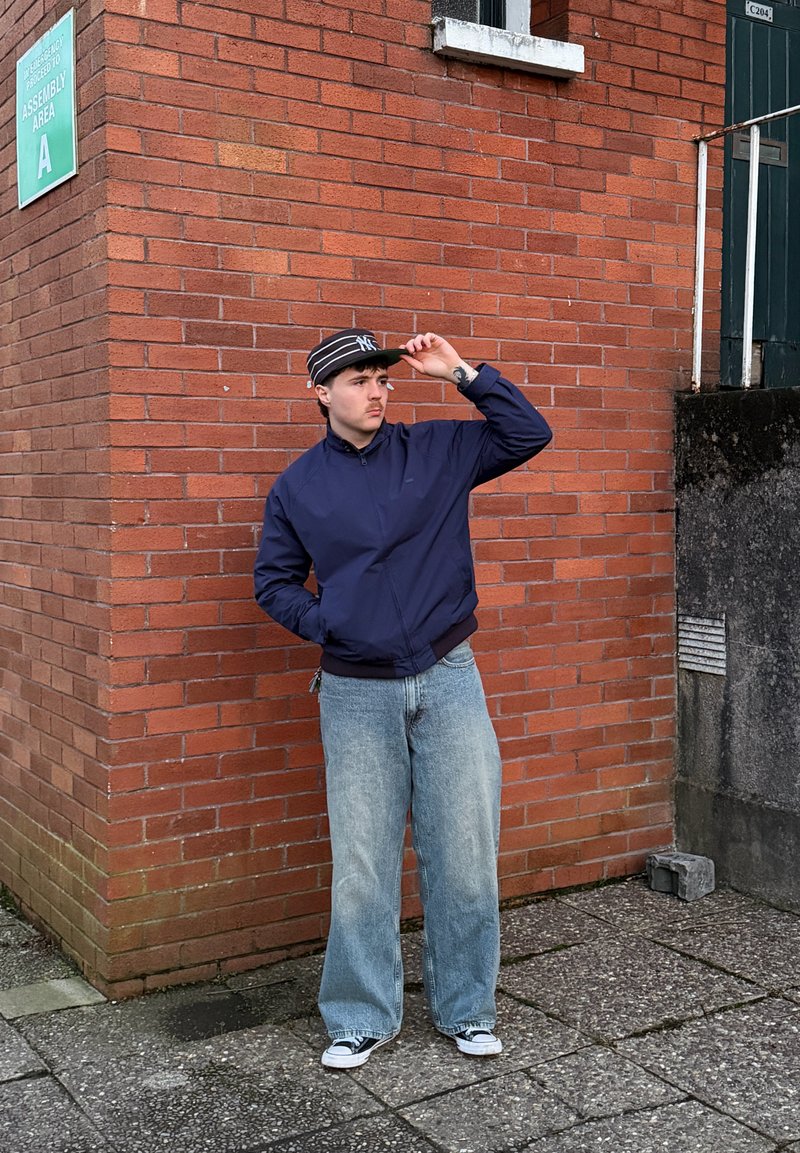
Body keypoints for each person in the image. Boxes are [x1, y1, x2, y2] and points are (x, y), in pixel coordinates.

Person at [254, 328, 552, 1069]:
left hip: (449, 676)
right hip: (355, 690)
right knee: (363, 858)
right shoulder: (298, 485)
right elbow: (274, 583)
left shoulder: (440, 452)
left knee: (464, 850)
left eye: (382, 378)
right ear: (322, 393)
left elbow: (528, 431)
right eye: (358, 379)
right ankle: (361, 1015)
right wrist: (329, 623)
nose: (378, 390)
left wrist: (461, 372)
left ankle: (467, 1008)